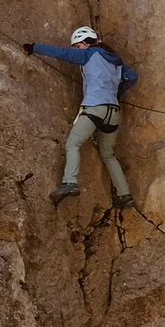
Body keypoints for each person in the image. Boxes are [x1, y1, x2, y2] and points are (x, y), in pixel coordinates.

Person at [24, 26, 137, 207]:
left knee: (73, 143)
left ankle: (70, 182)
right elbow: (132, 76)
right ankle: (125, 195)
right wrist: (116, 93)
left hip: (95, 107)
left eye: (78, 46)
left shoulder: (89, 54)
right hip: (113, 112)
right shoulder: (116, 61)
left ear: (86, 43)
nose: (77, 50)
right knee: (108, 154)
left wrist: (34, 47)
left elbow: (62, 53)